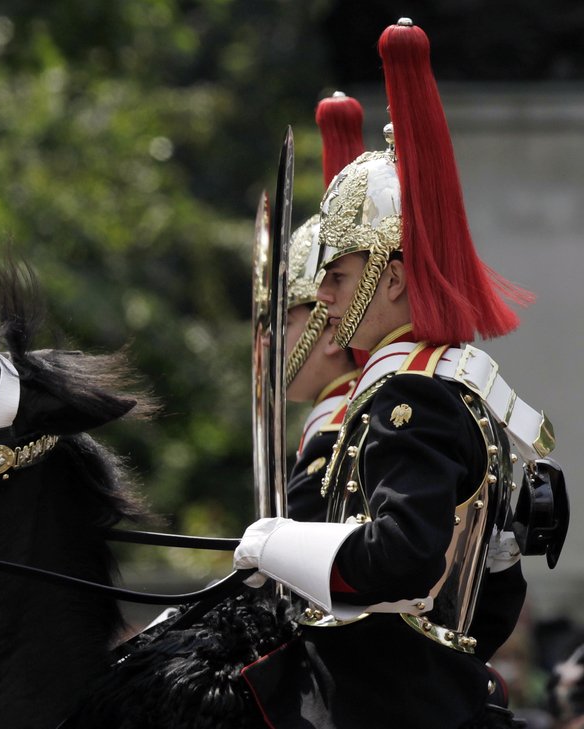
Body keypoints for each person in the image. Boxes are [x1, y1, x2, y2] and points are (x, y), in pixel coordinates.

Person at [235, 19, 559, 728]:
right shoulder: (443, 389)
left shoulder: (412, 396)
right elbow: (487, 606)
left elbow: (403, 558)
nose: (325, 299)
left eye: (339, 275)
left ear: (392, 278)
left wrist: (277, 543)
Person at [283, 91, 363, 524]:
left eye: (285, 322)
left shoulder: (334, 433)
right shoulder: (329, 421)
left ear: (331, 332)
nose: (267, 342)